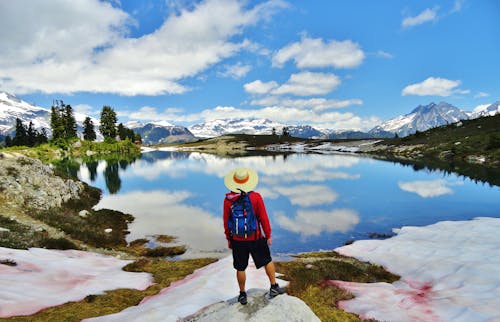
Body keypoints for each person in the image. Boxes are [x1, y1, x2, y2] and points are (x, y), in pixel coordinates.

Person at [223, 167, 285, 305]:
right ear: (249, 181)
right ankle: (274, 286)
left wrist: (229, 238)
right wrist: (268, 235)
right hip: (256, 237)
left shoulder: (228, 200)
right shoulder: (256, 197)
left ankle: (242, 294)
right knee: (267, 260)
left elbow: (226, 221)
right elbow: (263, 218)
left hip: (237, 240)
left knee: (240, 267)